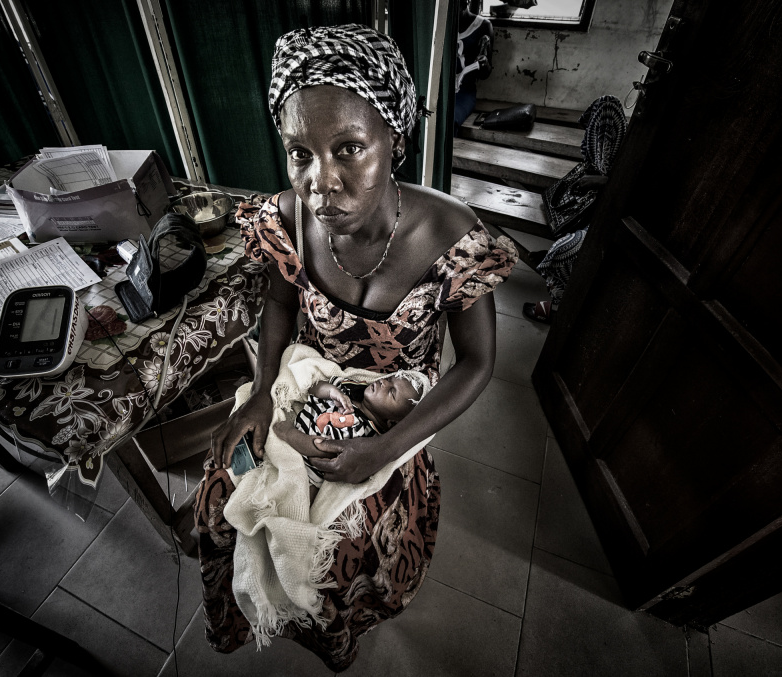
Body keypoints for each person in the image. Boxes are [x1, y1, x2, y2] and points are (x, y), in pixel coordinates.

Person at [196, 24, 516, 672]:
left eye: (348, 148)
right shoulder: (287, 218)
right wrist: (261, 393)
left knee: (349, 542)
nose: (321, 182)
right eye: (299, 153)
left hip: (394, 424)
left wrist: (386, 449)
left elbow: (479, 363)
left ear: (393, 140)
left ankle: (335, 636)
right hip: (306, 395)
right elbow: (281, 302)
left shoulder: (454, 235)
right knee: (220, 501)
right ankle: (260, 611)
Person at [524, 95, 628, 323]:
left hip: (620, 226)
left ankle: (561, 309)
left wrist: (605, 182)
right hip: (602, 218)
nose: (588, 142)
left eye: (595, 131)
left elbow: (627, 198)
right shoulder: (607, 158)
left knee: (562, 252)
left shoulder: (622, 165)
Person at [291, 371, 431, 497]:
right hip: (295, 422)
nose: (384, 382)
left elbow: (322, 450)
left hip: (305, 467)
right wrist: (331, 391)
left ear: (391, 423)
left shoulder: (363, 434)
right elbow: (312, 386)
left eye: (391, 392)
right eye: (389, 379)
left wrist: (288, 433)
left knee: (300, 497)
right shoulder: (349, 389)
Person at [454, 0, 494, 127]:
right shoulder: (443, 24)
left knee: (451, 119)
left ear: (465, 3)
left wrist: (484, 63)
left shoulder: (483, 26)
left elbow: (485, 74)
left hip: (464, 91)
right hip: (441, 89)